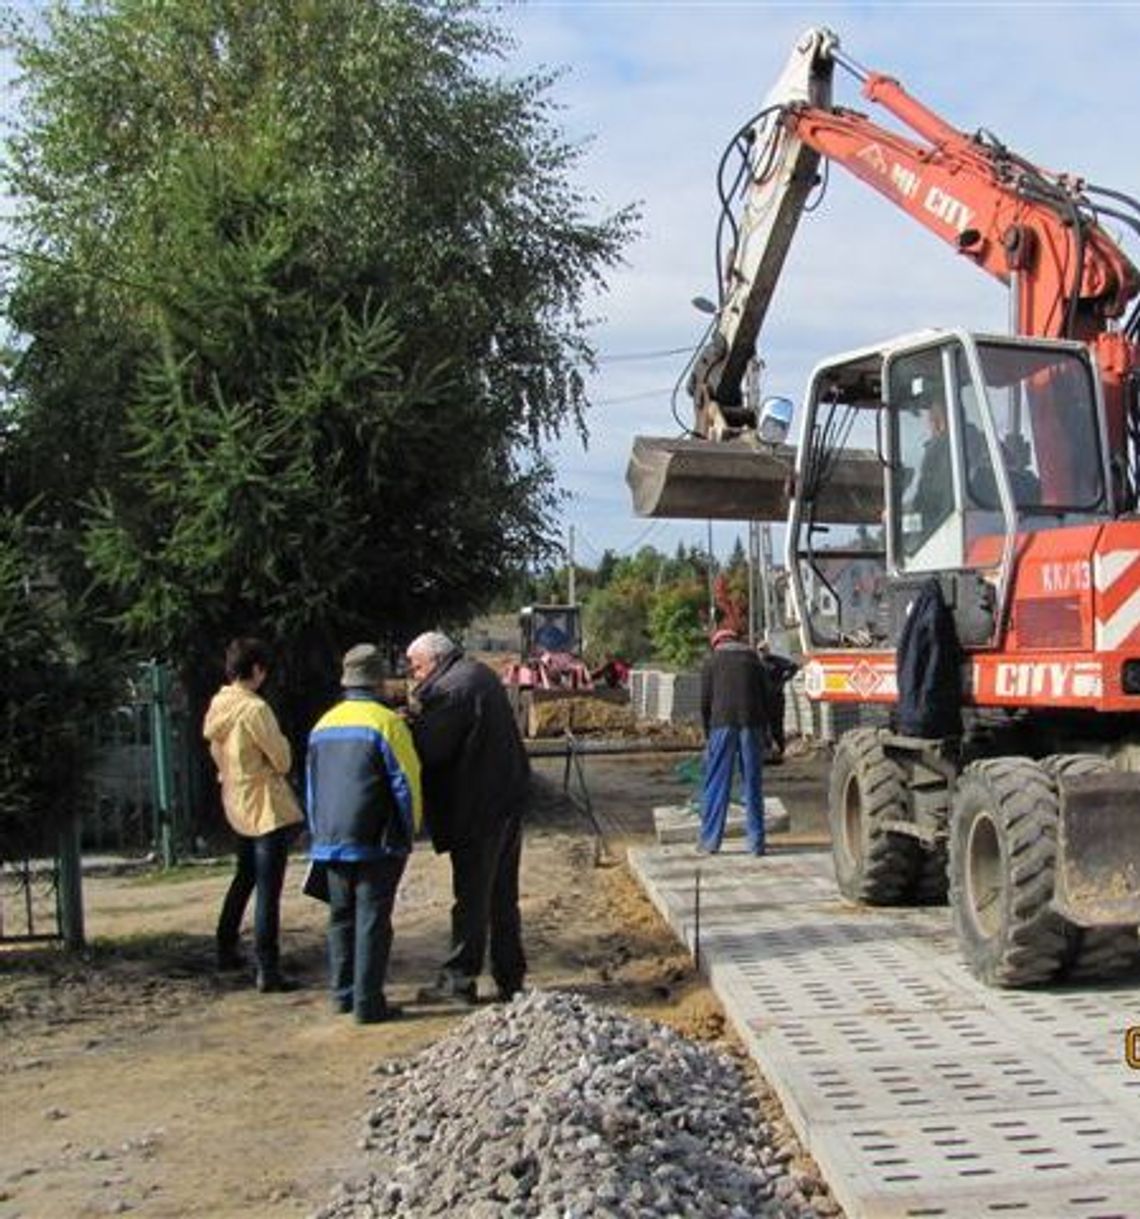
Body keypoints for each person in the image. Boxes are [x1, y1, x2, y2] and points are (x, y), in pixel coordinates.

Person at [405, 630, 529, 1005]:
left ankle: (459, 981)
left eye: (417, 667)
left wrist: (408, 727)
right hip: (506, 800)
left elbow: (429, 750)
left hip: (479, 808)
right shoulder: (477, 674)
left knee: (472, 897)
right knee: (502, 896)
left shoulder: (452, 690)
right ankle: (510, 978)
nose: (415, 676)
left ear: (433, 659)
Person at [306, 644, 422, 1024]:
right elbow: (406, 783)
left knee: (340, 918)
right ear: (378, 681)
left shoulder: (322, 725)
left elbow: (312, 786)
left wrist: (318, 832)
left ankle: (342, 995)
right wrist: (410, 831)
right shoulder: (387, 724)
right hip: (374, 839)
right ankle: (368, 1004)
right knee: (372, 919)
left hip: (330, 839)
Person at [204, 637, 304, 992]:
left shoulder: (220, 704)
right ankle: (268, 967)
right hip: (264, 804)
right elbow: (281, 758)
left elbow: (217, 750)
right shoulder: (255, 709)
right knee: (267, 888)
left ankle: (225, 945)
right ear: (258, 669)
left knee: (243, 876)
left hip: (235, 797)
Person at [699, 626, 770, 856]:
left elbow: (705, 701)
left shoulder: (712, 662)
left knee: (717, 783)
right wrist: (771, 735)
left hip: (722, 724)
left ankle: (710, 842)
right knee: (752, 784)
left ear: (716, 643)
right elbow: (768, 696)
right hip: (753, 723)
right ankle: (756, 844)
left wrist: (707, 734)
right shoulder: (755, 662)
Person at [758, 640, 799, 762]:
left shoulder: (776, 661)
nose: (762, 653)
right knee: (763, 726)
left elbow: (793, 667)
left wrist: (783, 681)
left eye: (764, 650)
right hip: (761, 700)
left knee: (777, 725)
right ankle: (766, 753)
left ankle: (780, 752)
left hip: (776, 698)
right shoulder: (756, 663)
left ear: (768, 650)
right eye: (760, 650)